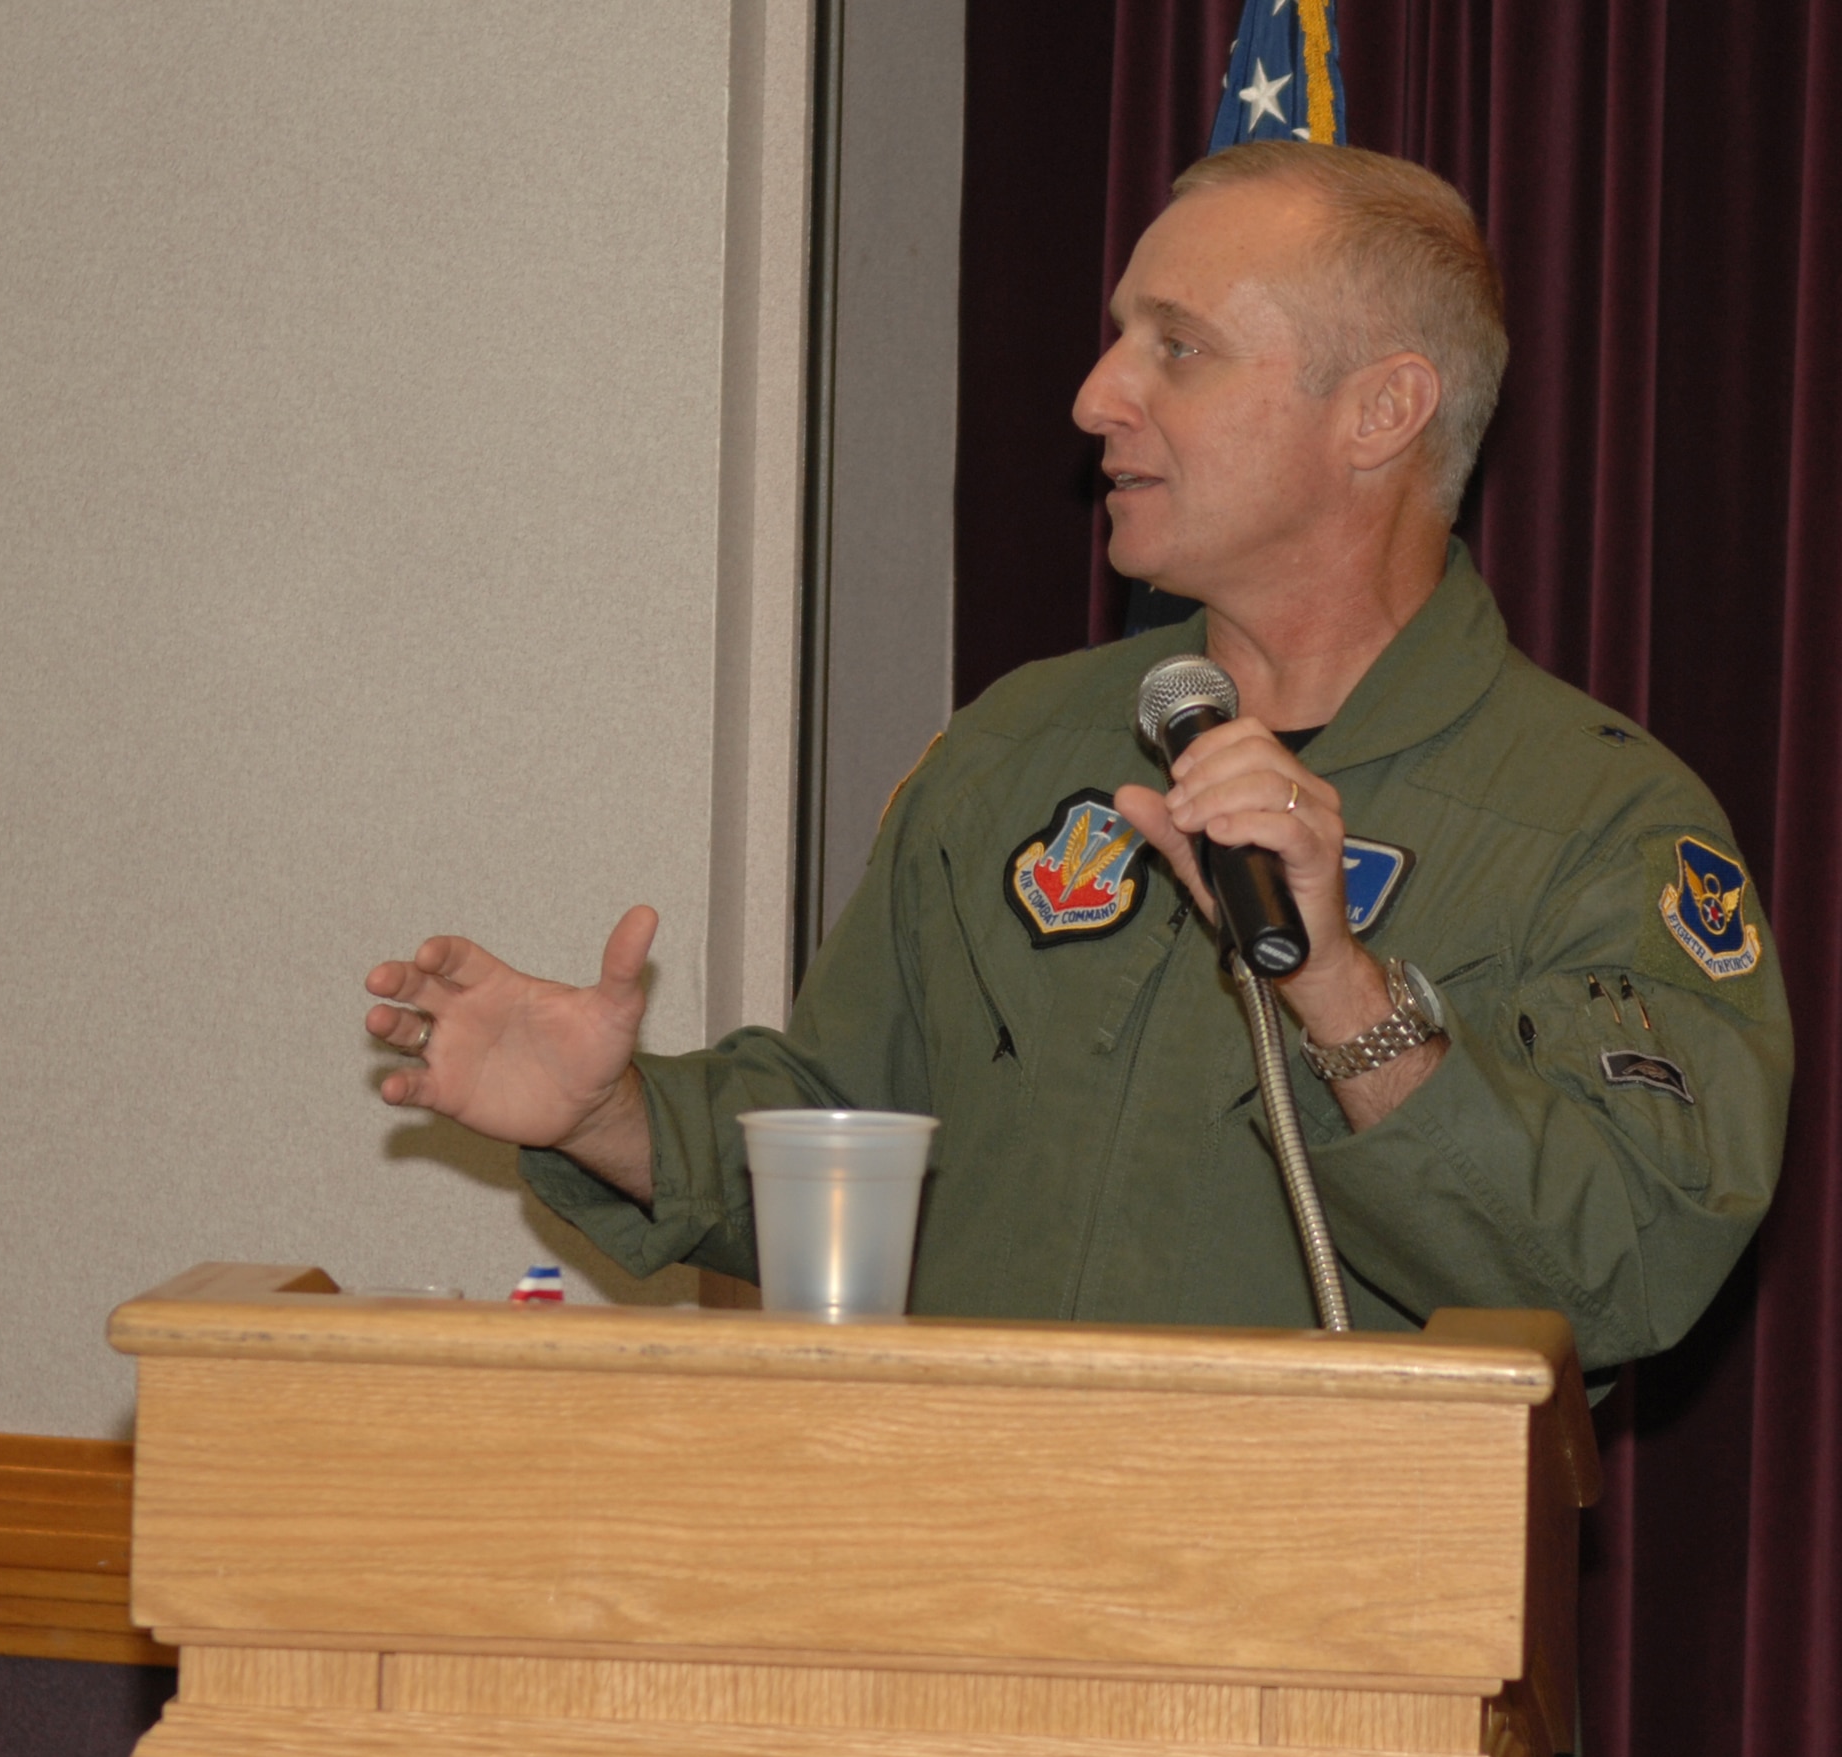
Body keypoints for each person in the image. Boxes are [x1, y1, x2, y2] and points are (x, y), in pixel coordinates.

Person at [364, 142, 1790, 1374]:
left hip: (1323, 1594)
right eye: (1120, 339)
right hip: (964, 1566)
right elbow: (847, 1149)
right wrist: (615, 1117)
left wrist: (1341, 993)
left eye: (1179, 347)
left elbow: (1624, 1270)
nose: (1098, 395)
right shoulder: (1016, 746)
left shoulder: (1598, 824)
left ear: (1381, 412)